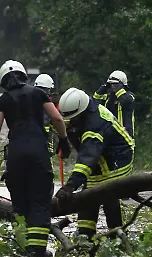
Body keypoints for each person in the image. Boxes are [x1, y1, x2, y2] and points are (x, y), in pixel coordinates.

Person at [0, 61, 70, 257]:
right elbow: (56, 118)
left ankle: (22, 248)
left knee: (20, 204)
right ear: (24, 75)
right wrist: (64, 140)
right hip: (38, 154)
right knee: (40, 202)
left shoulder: (3, 100)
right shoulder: (38, 94)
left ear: (3, 80)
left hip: (15, 157)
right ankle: (38, 251)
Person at [55, 87, 135, 242]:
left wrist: (70, 186)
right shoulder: (83, 109)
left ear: (81, 112)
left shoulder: (95, 126)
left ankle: (116, 235)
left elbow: (87, 158)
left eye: (73, 118)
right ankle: (85, 234)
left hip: (118, 158)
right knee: (89, 192)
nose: (70, 122)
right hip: (101, 155)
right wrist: (63, 140)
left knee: (108, 193)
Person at [92, 70, 136, 139]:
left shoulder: (129, 96)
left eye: (115, 84)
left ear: (123, 84)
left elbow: (125, 101)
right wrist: (105, 86)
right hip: (110, 135)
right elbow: (95, 100)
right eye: (111, 84)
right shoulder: (109, 98)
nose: (113, 86)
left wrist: (118, 90)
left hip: (126, 135)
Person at [34, 73, 57, 156]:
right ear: (48, 88)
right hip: (45, 136)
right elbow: (55, 118)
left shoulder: (30, 98)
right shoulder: (46, 101)